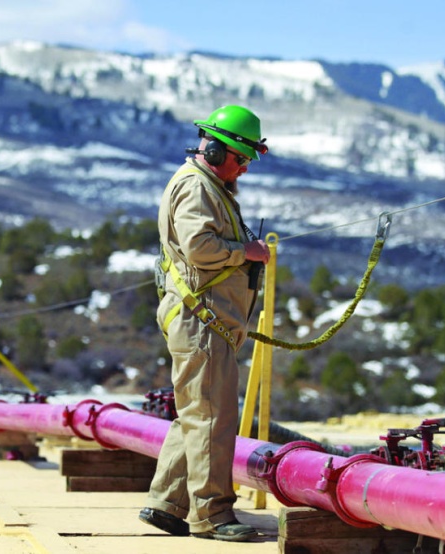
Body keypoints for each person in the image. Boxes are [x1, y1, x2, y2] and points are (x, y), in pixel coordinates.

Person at [139, 105, 270, 542]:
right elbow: (199, 248)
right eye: (240, 159)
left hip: (204, 320)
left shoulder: (207, 183)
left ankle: (168, 504)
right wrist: (245, 253)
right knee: (213, 419)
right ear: (214, 150)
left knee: (197, 415)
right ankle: (212, 516)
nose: (245, 168)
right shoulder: (197, 187)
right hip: (202, 321)